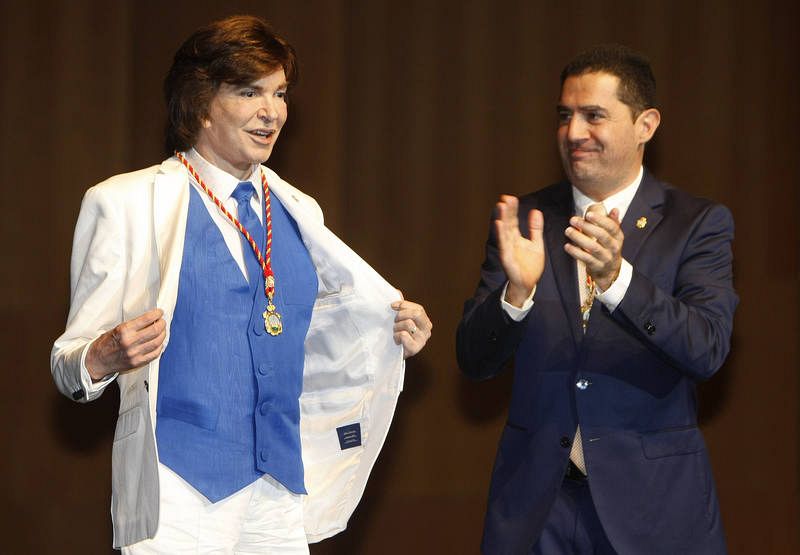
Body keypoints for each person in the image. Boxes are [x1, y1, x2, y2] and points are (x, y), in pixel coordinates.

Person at [51, 15, 431, 553]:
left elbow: (325, 336)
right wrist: (104, 356)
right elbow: (68, 363)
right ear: (200, 104)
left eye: (279, 93)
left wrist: (394, 332)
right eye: (249, 91)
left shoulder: (300, 212)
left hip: (279, 491)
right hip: (177, 491)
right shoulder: (126, 203)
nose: (271, 111)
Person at [456, 45, 737, 554]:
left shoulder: (696, 224)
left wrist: (618, 280)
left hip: (653, 513)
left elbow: (708, 349)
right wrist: (516, 295)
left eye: (594, 116)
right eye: (565, 115)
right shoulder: (526, 221)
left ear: (645, 125)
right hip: (537, 512)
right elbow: (474, 361)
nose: (574, 132)